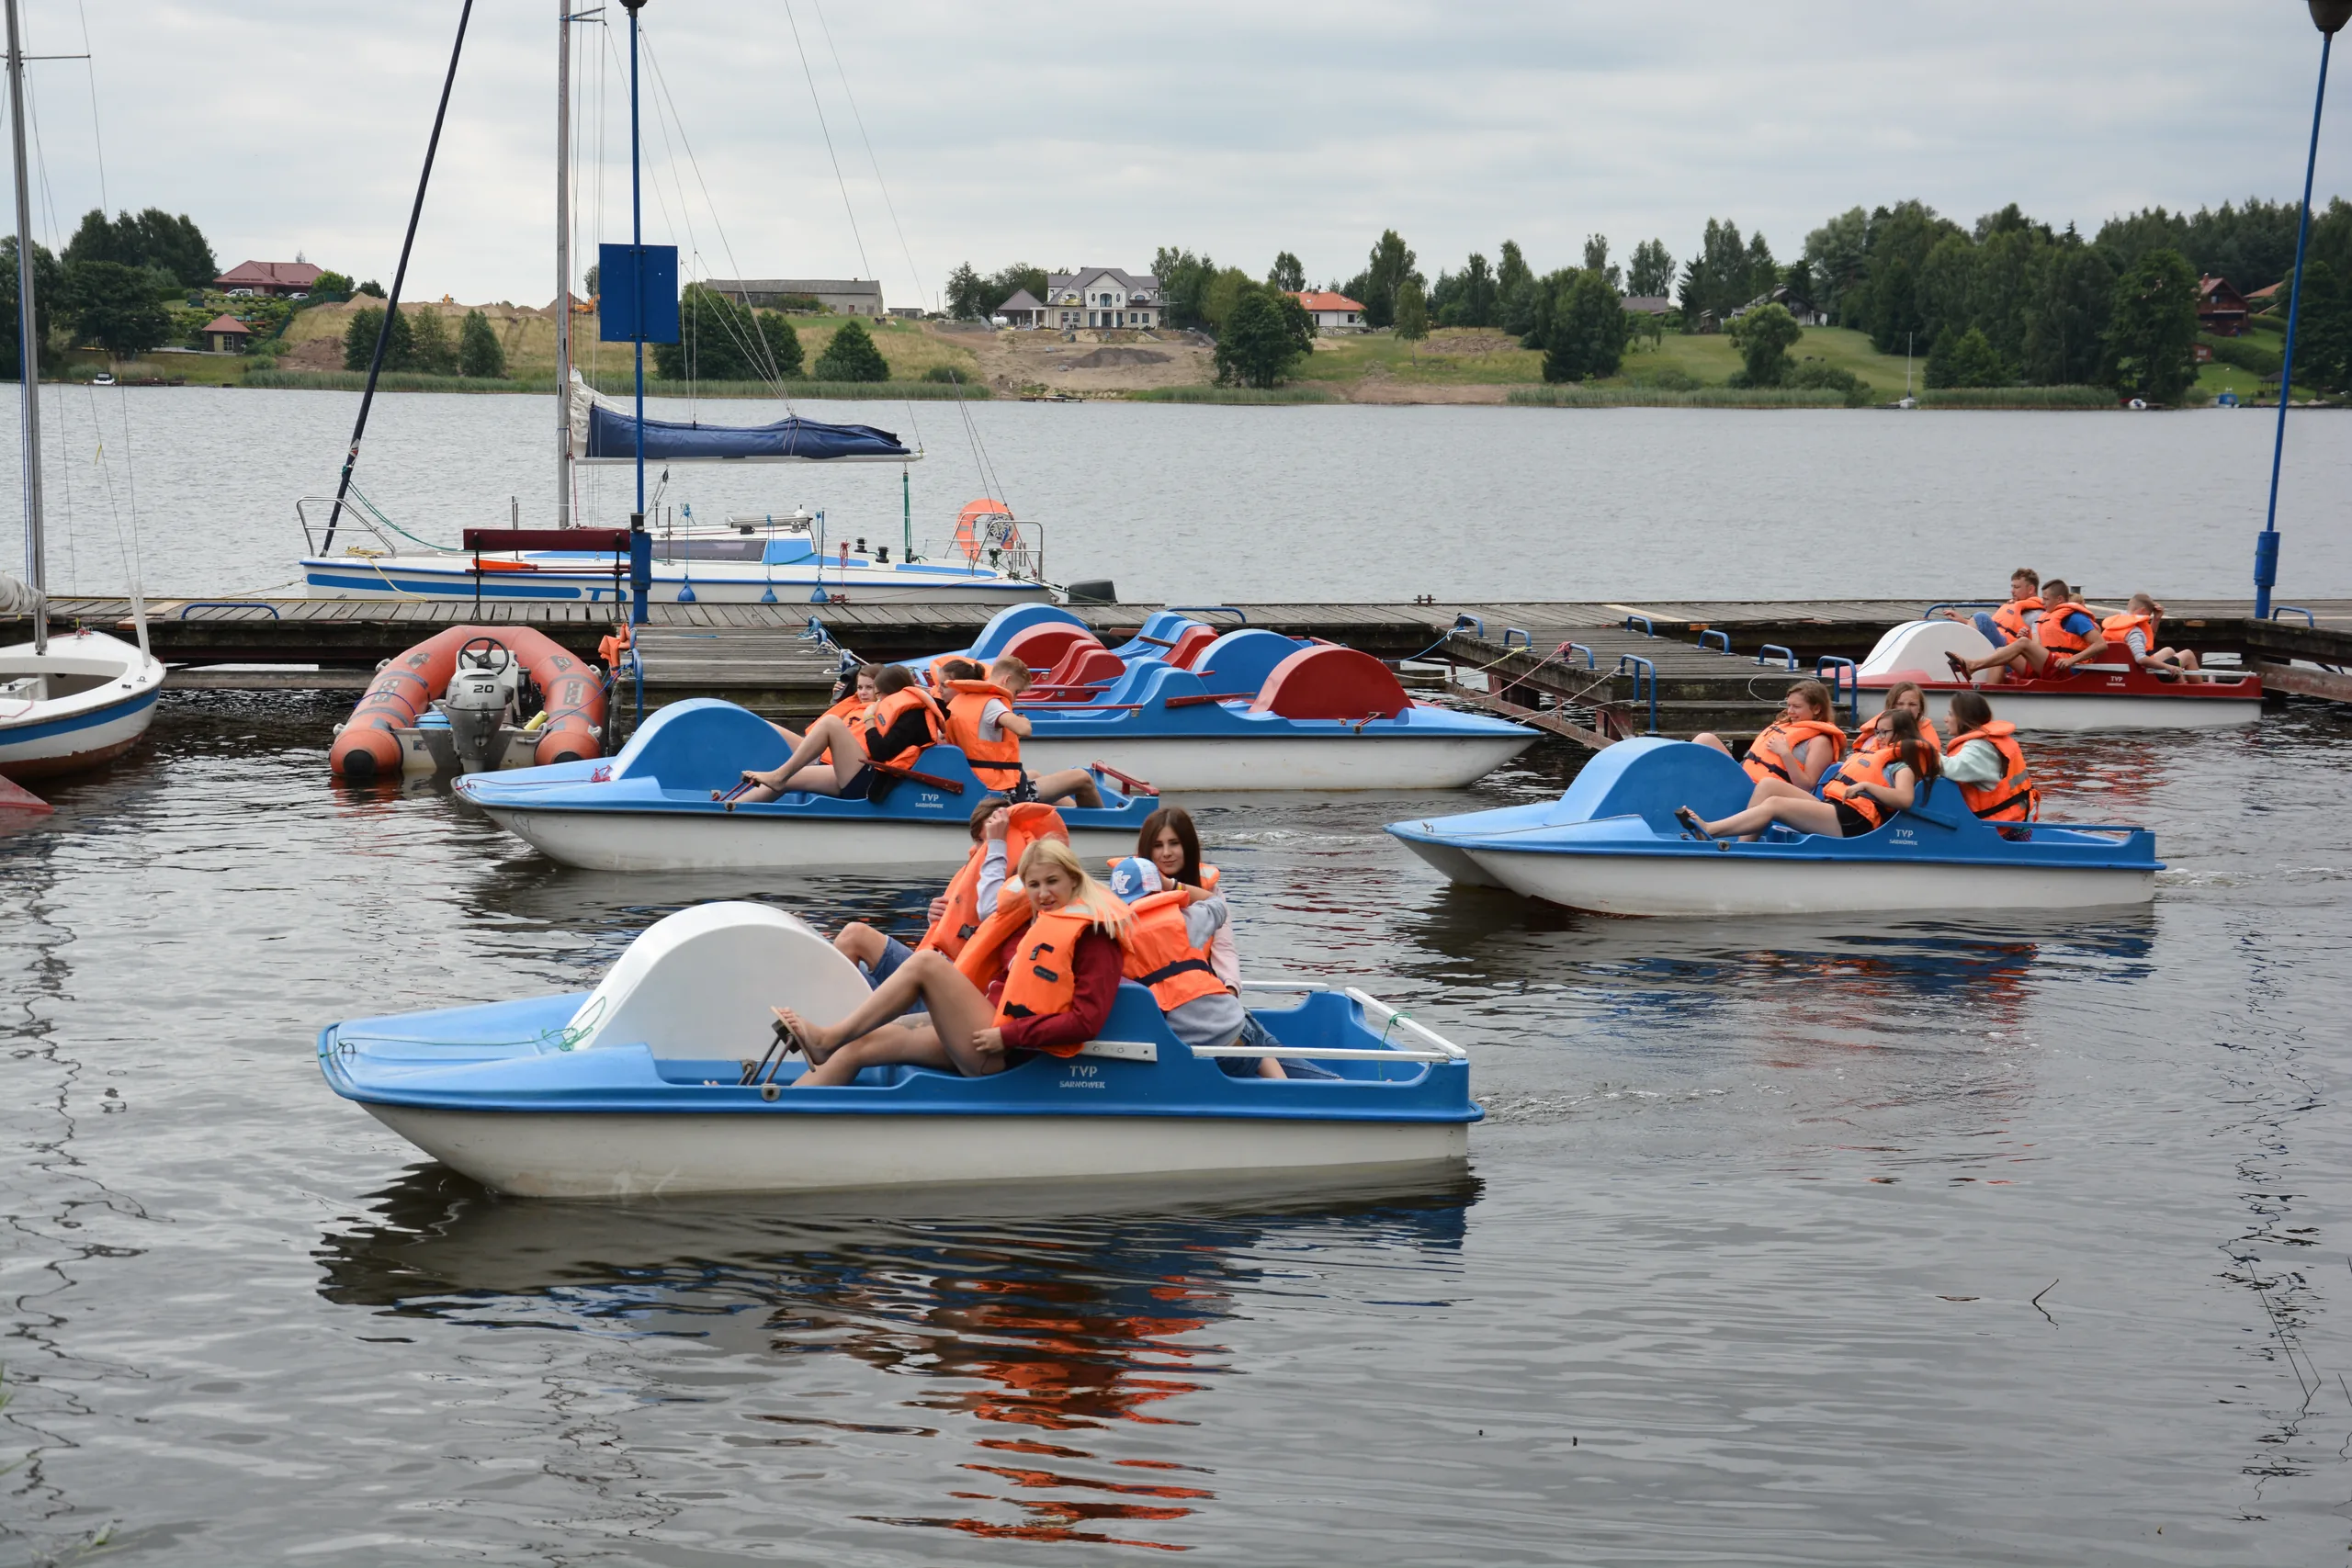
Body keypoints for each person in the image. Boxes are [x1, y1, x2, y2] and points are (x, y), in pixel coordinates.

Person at [776, 839, 1131, 1087]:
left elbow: (1086, 1022)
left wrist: (1007, 1035)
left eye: (1052, 881)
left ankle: (828, 1038)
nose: (1043, 893)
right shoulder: (1038, 922)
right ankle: (784, 1112)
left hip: (1003, 1053)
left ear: (1074, 878)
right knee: (857, 1046)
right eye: (1034, 884)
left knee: (926, 963)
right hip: (983, 1032)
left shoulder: (1095, 934)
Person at [831, 794, 1013, 992]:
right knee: (843, 961)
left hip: (949, 993)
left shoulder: (1019, 882)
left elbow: (990, 912)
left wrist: (996, 847)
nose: (983, 849)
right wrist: (937, 920)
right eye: (979, 840)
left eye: (990, 840)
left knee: (854, 936)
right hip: (930, 974)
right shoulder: (973, 874)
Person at [1681, 708, 1938, 841]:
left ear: (1901, 734)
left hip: (1854, 822)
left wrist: (1866, 787)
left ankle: (1711, 830)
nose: (1878, 738)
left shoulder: (1901, 766)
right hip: (1835, 808)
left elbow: (1904, 799)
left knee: (1776, 804)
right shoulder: (1875, 755)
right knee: (1769, 785)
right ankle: (1744, 846)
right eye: (1877, 732)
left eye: (1884, 733)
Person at [735, 663, 944, 802]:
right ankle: (733, 805)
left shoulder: (911, 715)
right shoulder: (898, 709)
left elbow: (881, 752)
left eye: (876, 691)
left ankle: (767, 784)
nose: (869, 695)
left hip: (870, 780)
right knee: (771, 731)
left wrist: (869, 719)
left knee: (830, 724)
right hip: (857, 770)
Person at [937, 653, 1105, 808]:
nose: (1015, 698)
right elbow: (1024, 729)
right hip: (1002, 792)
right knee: (1082, 778)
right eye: (1017, 691)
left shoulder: (960, 700)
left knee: (1035, 775)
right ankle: (1102, 824)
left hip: (977, 780)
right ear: (1007, 680)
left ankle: (1072, 815)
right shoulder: (991, 703)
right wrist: (1023, 720)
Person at [1694, 681, 1846, 793]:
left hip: (1764, 791)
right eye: (1789, 705)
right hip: (1745, 777)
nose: (1790, 712)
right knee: (1705, 739)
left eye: (1797, 707)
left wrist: (1785, 754)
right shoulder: (1786, 726)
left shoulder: (1820, 742)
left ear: (1817, 709)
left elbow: (1807, 787)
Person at [1946, 578, 2106, 684]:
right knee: (2001, 651)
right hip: (2049, 667)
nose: (2043, 603)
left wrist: (2072, 660)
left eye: (2046, 599)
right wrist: (2027, 640)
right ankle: (1988, 696)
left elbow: (2101, 645)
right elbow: (2039, 646)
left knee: (2022, 643)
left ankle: (1973, 665)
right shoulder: (2046, 618)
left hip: (2065, 670)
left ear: (2060, 600)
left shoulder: (2076, 618)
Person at [1940, 689, 2040, 824]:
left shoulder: (1979, 747)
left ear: (1965, 719)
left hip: (2000, 827)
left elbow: (1953, 769)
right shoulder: (1991, 740)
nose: (1945, 719)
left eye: (1951, 714)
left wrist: (1922, 753)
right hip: (2017, 819)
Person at [2102, 593, 2205, 682]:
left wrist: (2156, 619)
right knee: (2188, 654)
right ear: (2142, 611)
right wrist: (2168, 667)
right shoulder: (2134, 632)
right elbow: (2141, 659)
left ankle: (2180, 687)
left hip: (2126, 667)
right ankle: (2199, 692)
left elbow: (2146, 639)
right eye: (2148, 615)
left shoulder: (2114, 625)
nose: (2147, 619)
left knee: (2168, 651)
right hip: (2140, 673)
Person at [1939, 569, 2042, 647]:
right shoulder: (2012, 606)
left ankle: (1960, 653)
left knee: (1982, 617)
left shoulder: (2036, 615)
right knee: (1949, 623)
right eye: (2012, 586)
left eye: (2017, 587)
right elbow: (1995, 627)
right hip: (1996, 643)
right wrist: (1963, 621)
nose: (2012, 591)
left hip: (2008, 652)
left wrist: (2024, 638)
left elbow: (2037, 647)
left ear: (2030, 589)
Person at [1853, 681, 1941, 756]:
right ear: (1891, 706)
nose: (1906, 709)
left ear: (1920, 709)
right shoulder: (1875, 735)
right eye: (1900, 704)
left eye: (1912, 704)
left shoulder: (1929, 738)